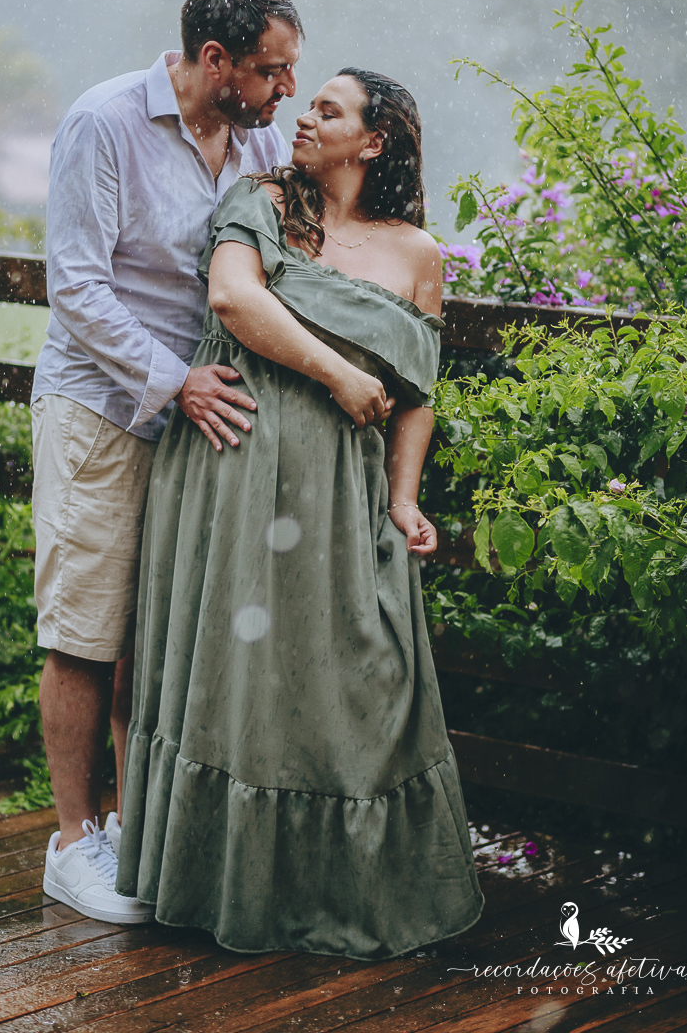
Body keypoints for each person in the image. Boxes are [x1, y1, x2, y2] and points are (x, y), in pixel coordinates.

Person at [116, 67, 484, 957]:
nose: (303, 118)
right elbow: (234, 300)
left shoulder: (416, 254)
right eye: (304, 102)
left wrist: (402, 499)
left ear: (375, 140)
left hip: (342, 494)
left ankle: (341, 888)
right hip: (234, 474)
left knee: (348, 674)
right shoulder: (263, 201)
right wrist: (338, 372)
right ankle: (217, 884)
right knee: (237, 681)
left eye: (328, 109)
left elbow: (417, 393)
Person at [31, 0, 303, 924]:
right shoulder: (102, 124)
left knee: (156, 637)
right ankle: (73, 843)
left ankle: (138, 830)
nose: (286, 92)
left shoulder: (258, 138)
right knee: (84, 635)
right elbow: (76, 286)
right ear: (215, 59)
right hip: (103, 411)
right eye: (272, 71)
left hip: (202, 419)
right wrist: (171, 379)